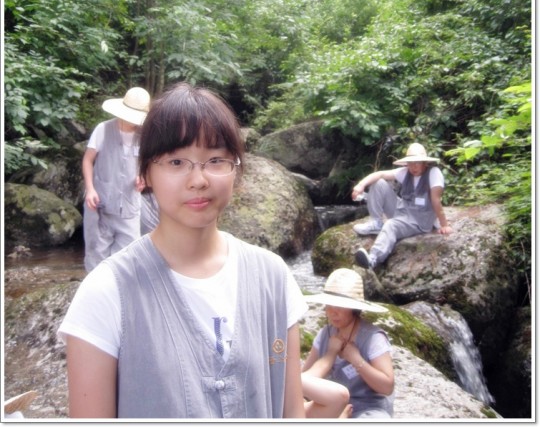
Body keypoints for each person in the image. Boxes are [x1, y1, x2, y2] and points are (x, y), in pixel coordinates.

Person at [59, 82, 307, 419]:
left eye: (216, 160)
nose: (198, 180)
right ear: (145, 173)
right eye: (176, 161)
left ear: (236, 168)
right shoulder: (105, 292)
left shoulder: (273, 278)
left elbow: (292, 413)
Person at [302, 268, 394, 419]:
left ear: (354, 308)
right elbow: (304, 381)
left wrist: (356, 359)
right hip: (331, 407)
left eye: (339, 307)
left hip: (368, 409)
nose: (333, 312)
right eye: (329, 306)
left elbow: (387, 387)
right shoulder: (325, 334)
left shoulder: (373, 338)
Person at [352, 142, 452, 270]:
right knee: (378, 183)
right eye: (410, 163)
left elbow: (436, 200)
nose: (413, 167)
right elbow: (380, 174)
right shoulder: (405, 172)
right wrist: (360, 185)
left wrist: (444, 225)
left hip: (418, 220)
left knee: (391, 225)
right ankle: (376, 223)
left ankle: (373, 259)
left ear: (424, 162)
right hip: (402, 211)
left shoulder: (434, 173)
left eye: (417, 163)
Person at [81, 86, 150, 272]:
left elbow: (147, 165)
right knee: (96, 258)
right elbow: (87, 160)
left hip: (129, 208)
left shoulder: (144, 137)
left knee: (128, 259)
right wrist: (90, 189)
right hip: (100, 205)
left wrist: (143, 177)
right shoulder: (103, 129)